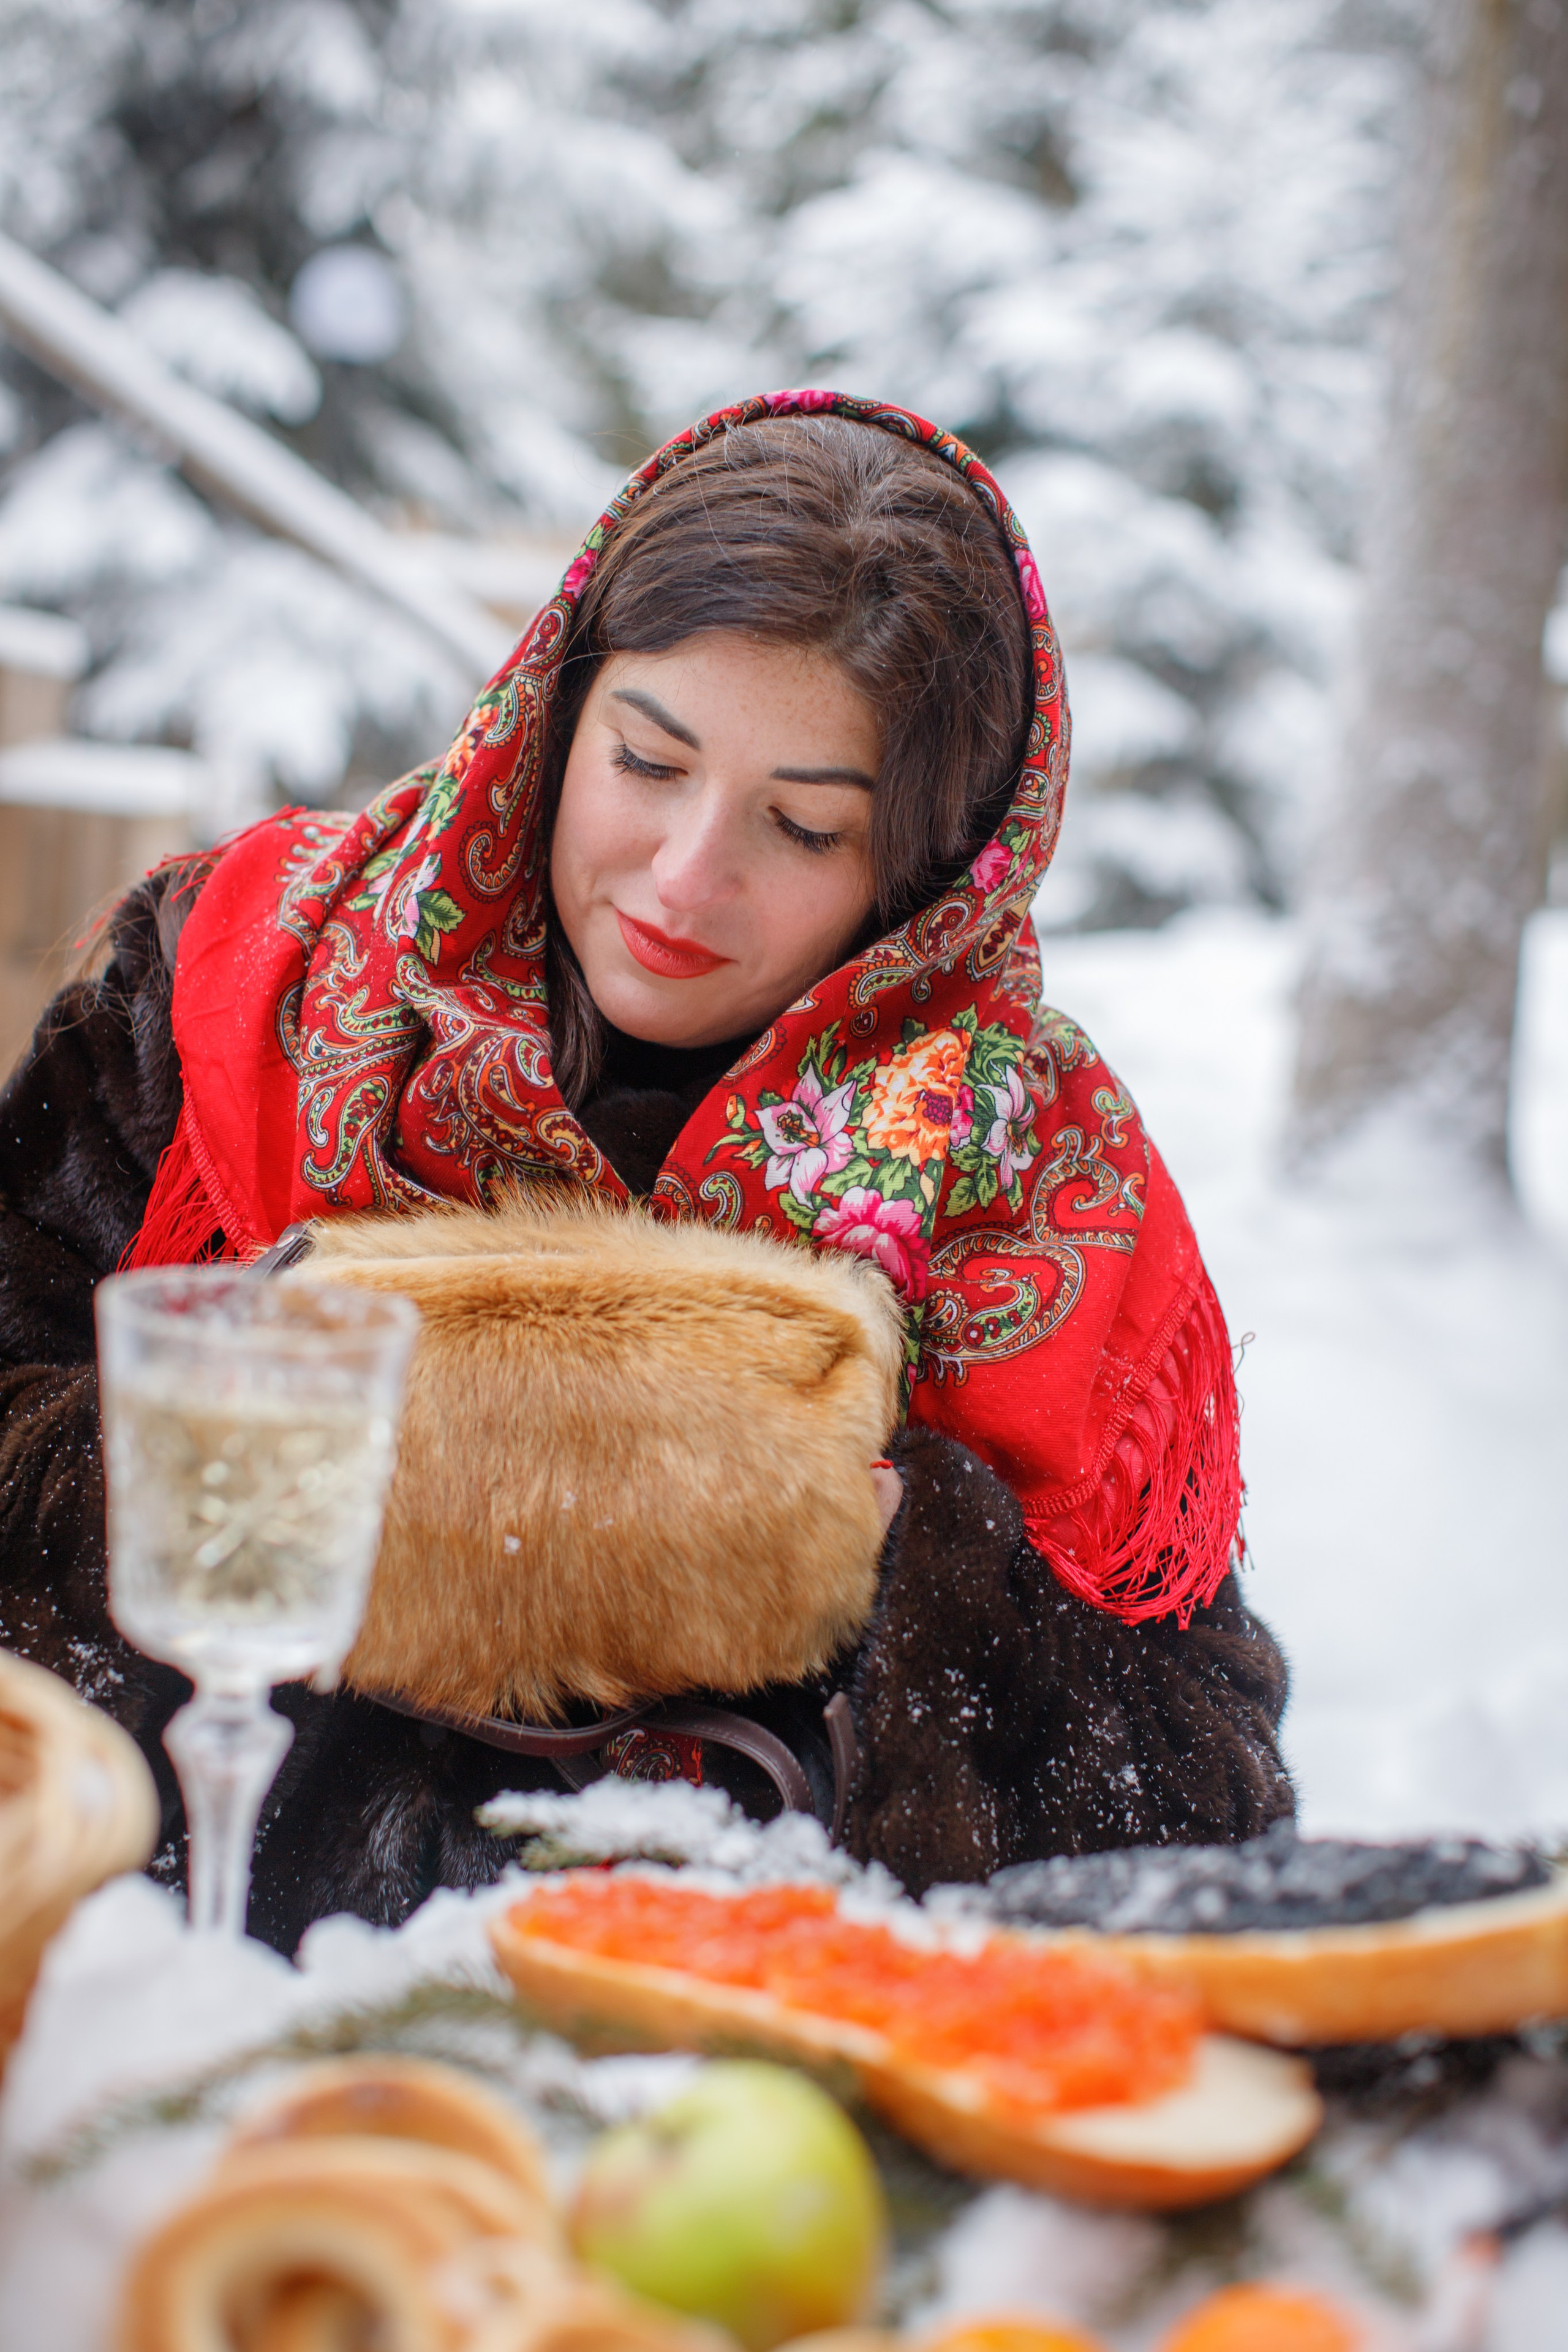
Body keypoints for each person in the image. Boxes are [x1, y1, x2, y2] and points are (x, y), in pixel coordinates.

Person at [0, 393, 1292, 1950]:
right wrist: (353, 1445)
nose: (686, 878)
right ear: (558, 705)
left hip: (737, 2073)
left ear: (938, 867)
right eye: (648, 761)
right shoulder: (237, 978)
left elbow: (1195, 1817)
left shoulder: (1039, 1176)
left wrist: (887, 1559)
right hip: (185, 2022)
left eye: (803, 827)